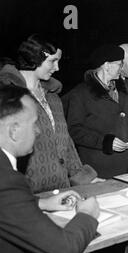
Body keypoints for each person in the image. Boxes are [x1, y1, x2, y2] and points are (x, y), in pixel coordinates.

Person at [0, 85, 99, 253]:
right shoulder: (6, 179)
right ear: (13, 130)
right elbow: (66, 248)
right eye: (35, 123)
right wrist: (87, 214)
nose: (38, 131)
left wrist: (42, 203)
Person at [0, 34, 98, 193]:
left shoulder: (53, 97)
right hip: (27, 193)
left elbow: (66, 142)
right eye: (52, 61)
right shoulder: (10, 99)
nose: (57, 68)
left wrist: (84, 179)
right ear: (34, 58)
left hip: (61, 188)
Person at [63, 44, 128, 178]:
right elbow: (74, 130)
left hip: (127, 165)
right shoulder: (81, 93)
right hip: (99, 168)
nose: (121, 68)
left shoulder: (123, 90)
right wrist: (104, 142)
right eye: (119, 64)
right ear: (106, 65)